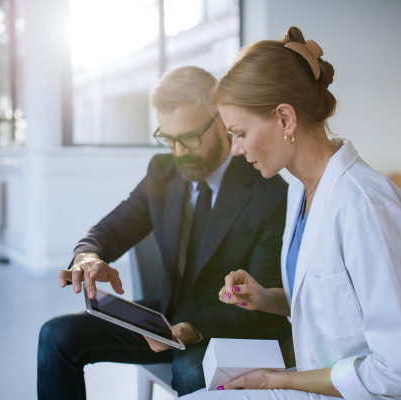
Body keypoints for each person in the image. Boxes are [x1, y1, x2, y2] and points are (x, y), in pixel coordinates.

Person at [182, 27, 401, 399]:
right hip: (328, 384)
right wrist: (268, 298)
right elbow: (339, 306)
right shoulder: (300, 192)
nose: (235, 150)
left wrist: (279, 380)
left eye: (240, 133)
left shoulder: (365, 208)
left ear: (284, 119)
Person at [37, 66, 291, 400]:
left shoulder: (269, 191)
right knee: (56, 335)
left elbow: (261, 303)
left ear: (220, 122)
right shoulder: (163, 171)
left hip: (232, 330)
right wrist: (88, 255)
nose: (179, 152)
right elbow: (114, 226)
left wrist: (194, 330)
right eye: (168, 139)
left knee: (190, 370)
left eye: (188, 138)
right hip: (165, 319)